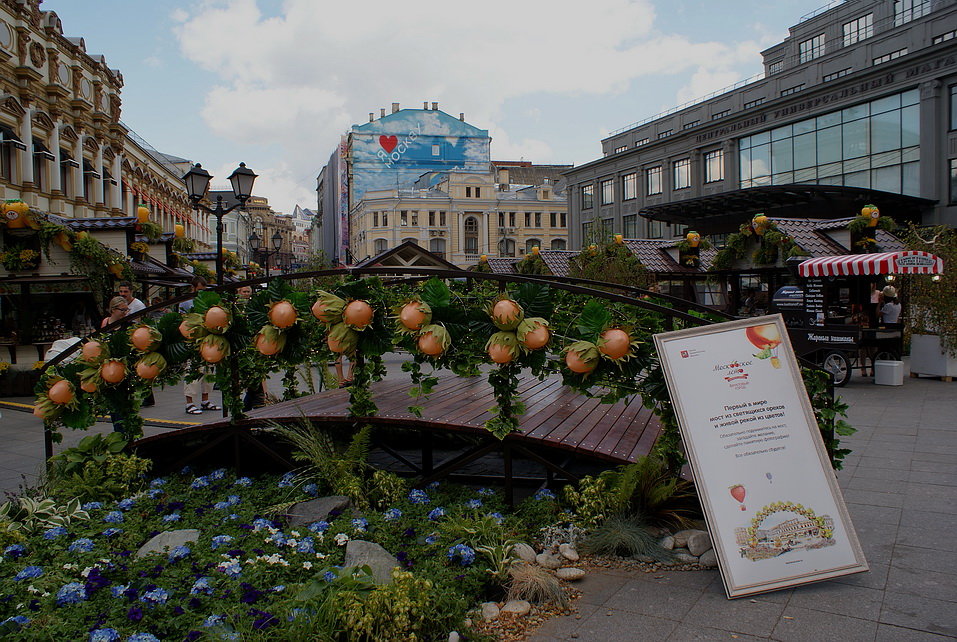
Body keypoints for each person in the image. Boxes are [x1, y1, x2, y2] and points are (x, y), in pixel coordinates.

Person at [179, 276, 220, 415]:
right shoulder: (186, 303)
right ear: (193, 288)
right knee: (193, 371)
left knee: (209, 371)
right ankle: (189, 403)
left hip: (207, 340)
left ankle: (205, 400)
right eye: (199, 290)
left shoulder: (208, 301)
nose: (201, 292)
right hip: (193, 341)